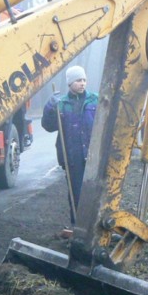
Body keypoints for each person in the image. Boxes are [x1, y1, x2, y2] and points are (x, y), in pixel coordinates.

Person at [41, 65, 98, 229]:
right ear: (70, 83)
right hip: (72, 157)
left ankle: (94, 225)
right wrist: (50, 108)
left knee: (94, 191)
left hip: (93, 154)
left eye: (84, 80)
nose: (82, 83)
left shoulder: (95, 100)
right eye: (79, 80)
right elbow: (48, 126)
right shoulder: (61, 104)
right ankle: (77, 226)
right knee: (76, 192)